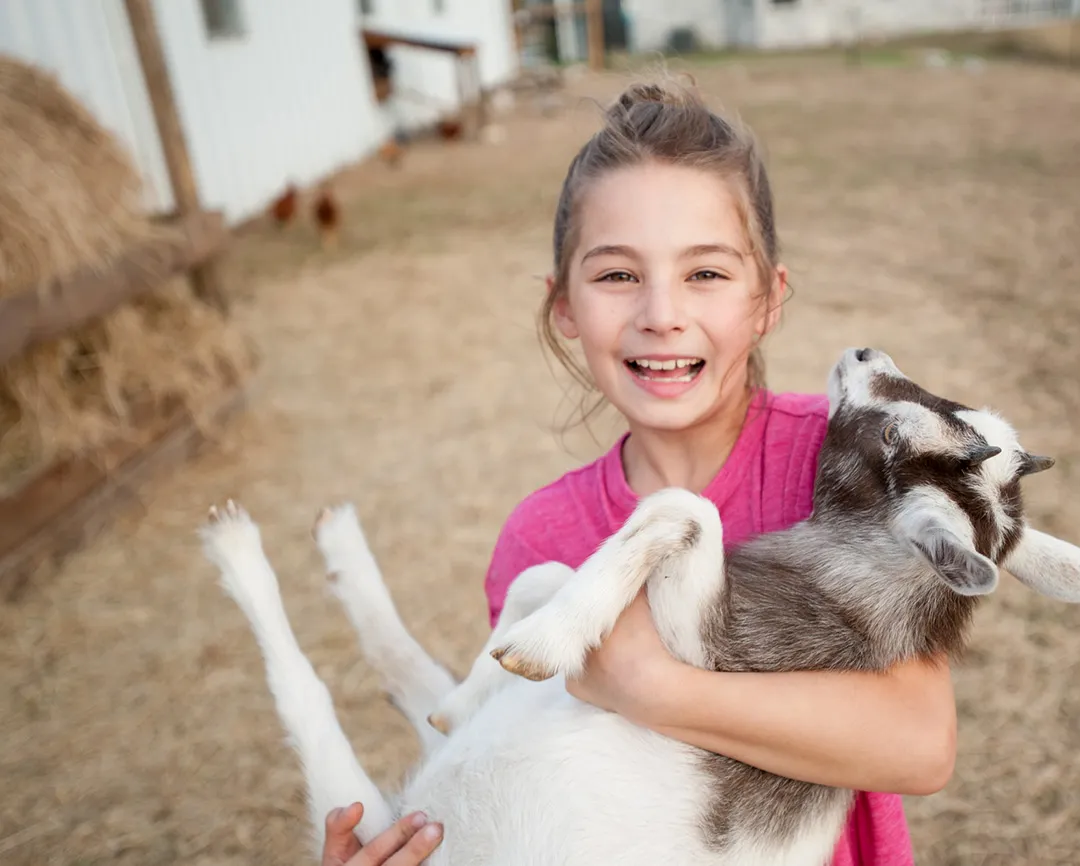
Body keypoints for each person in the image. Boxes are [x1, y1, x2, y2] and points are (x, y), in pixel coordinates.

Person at [321, 75, 956, 866]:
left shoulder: (837, 468)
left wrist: (649, 688)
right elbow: (531, 783)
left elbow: (921, 743)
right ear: (564, 307)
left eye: (706, 273)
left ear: (767, 298)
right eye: (617, 274)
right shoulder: (541, 538)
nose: (660, 312)